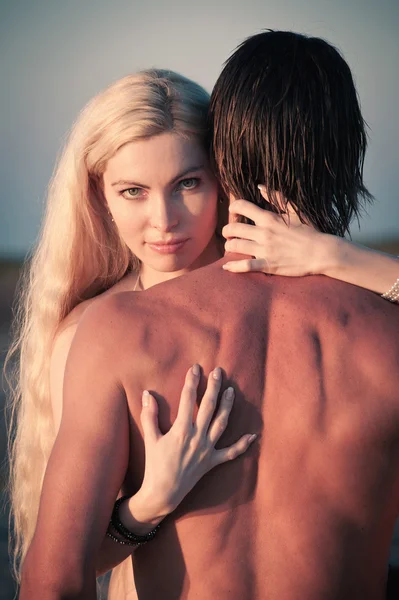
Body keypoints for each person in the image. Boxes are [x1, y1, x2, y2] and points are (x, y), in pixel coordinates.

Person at [18, 30, 399, 600]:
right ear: (350, 155)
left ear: (221, 164)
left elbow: (50, 583)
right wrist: (352, 261)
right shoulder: (384, 338)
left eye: (188, 183)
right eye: (133, 191)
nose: (164, 220)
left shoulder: (117, 332)